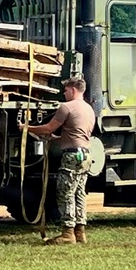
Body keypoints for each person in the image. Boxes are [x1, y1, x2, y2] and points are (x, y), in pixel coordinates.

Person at [25, 76, 96, 245]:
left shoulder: (67, 107)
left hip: (71, 156)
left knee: (65, 193)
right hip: (85, 154)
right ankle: (80, 232)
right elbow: (76, 134)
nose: (64, 93)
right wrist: (56, 139)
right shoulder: (89, 109)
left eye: (65, 90)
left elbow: (49, 127)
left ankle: (67, 233)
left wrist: (27, 128)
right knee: (79, 193)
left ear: (73, 89)